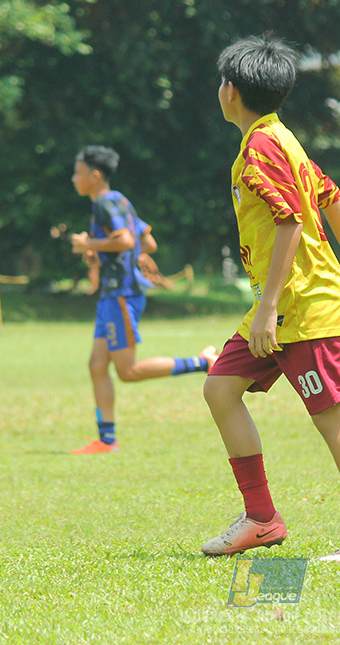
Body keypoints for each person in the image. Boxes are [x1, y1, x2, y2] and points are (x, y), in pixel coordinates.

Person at [201, 34, 340, 563]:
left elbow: (291, 221)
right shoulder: (276, 137)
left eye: (222, 81)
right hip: (280, 305)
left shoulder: (264, 147)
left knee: (332, 417)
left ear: (232, 91)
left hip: (301, 306)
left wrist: (268, 307)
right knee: (221, 389)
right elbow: (330, 194)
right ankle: (262, 519)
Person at [68, 145, 218, 455]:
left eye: (78, 173)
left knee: (127, 371)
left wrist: (87, 244)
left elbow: (124, 241)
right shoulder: (120, 200)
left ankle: (202, 362)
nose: (74, 178)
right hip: (113, 293)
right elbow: (146, 241)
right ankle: (107, 441)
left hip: (121, 294)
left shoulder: (104, 205)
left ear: (95, 176)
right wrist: (106, 249)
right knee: (97, 365)